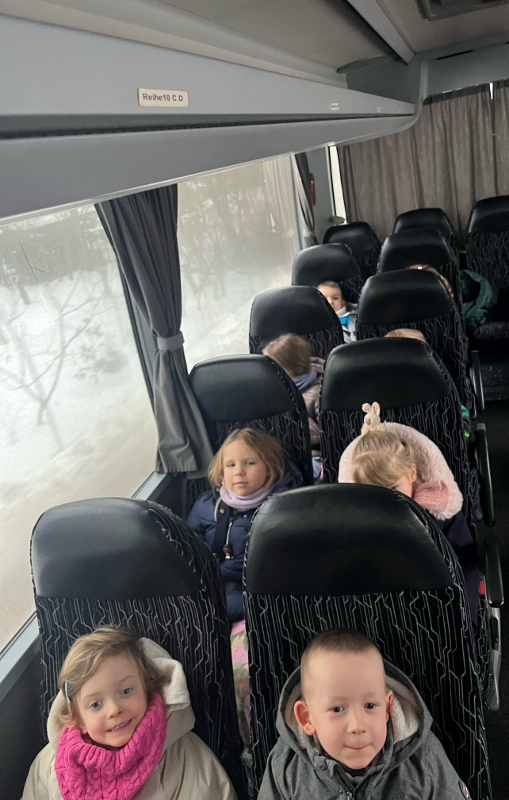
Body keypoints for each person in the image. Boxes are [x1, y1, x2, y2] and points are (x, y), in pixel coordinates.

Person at [22, 626, 237, 800]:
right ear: (79, 721)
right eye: (96, 704)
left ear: (147, 689)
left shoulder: (183, 757)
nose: (114, 709)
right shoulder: (51, 766)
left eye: (126, 691)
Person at [187, 427, 303, 745]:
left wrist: (223, 604)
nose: (239, 471)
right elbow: (186, 552)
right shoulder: (206, 505)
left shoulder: (283, 509)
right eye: (231, 464)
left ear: (271, 467)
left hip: (254, 603)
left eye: (250, 463)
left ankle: (250, 741)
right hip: (208, 600)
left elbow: (280, 573)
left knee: (242, 674)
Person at [258, 628, 469, 800]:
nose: (358, 726)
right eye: (337, 709)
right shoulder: (286, 767)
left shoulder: (423, 759)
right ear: (307, 718)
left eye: (370, 705)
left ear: (387, 708)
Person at [338, 403, 480, 624]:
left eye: (393, 487)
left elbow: (466, 561)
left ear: (412, 473)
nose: (385, 500)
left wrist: (462, 618)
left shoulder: (441, 509)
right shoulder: (357, 525)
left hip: (440, 597)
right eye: (373, 492)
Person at [262, 333, 323, 449]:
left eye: (272, 368)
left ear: (290, 370)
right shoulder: (275, 388)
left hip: (310, 449)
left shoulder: (318, 393)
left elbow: (325, 433)